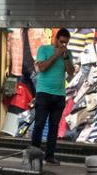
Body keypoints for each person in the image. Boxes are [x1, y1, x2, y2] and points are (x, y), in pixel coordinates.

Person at [30, 28, 75, 165]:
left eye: (66, 43)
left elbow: (71, 72)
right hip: (44, 93)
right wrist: (56, 54)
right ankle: (34, 155)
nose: (63, 45)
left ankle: (50, 155)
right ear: (55, 39)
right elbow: (42, 68)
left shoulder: (68, 53)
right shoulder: (43, 49)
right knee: (39, 124)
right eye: (61, 42)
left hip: (59, 94)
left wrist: (66, 57)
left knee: (54, 126)